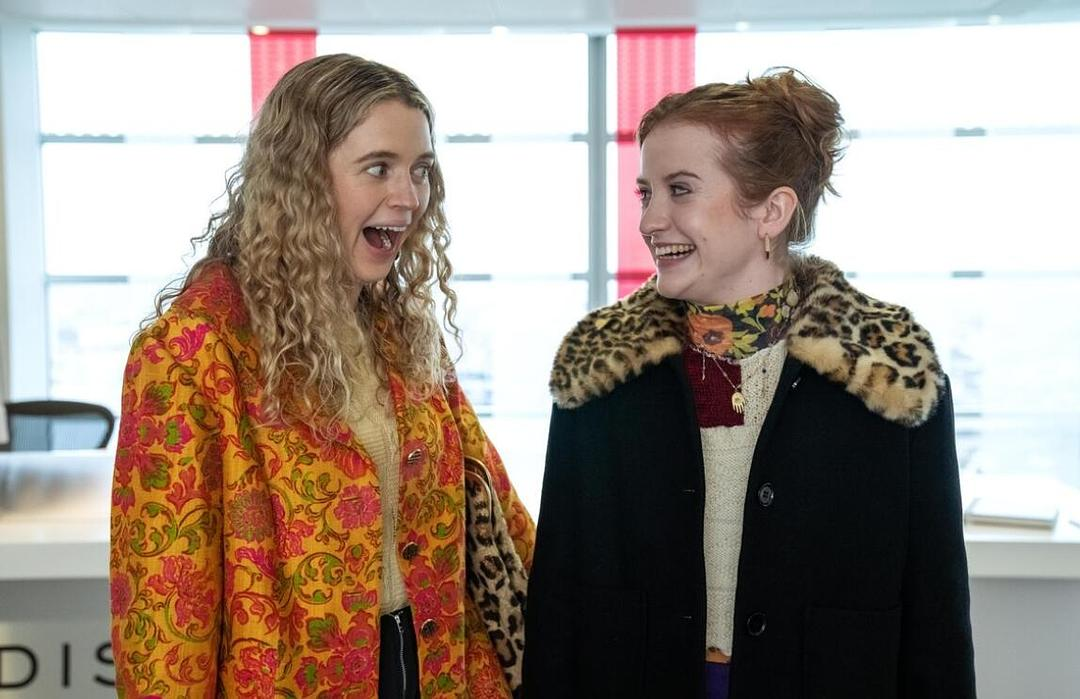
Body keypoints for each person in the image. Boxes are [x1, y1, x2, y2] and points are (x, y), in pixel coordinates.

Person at [523, 69, 975, 698]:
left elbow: (936, 611)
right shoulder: (599, 368)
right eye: (646, 193)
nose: (650, 219)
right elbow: (559, 599)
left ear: (771, 211)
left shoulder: (892, 374)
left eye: (680, 190)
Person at [109, 53, 534, 699]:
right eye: (379, 168)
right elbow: (166, 606)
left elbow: (495, 504)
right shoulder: (195, 351)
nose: (409, 197)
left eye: (420, 170)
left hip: (439, 667)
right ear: (301, 179)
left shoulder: (399, 330)